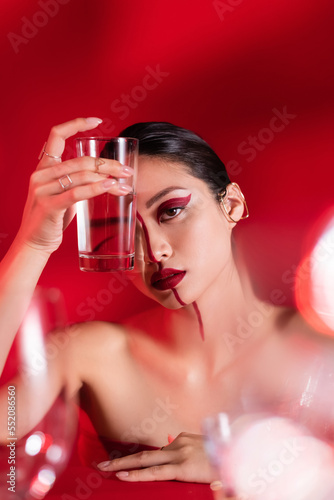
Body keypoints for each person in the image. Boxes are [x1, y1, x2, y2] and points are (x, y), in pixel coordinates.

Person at [0, 117, 332, 487]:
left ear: (233, 205)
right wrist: (33, 244)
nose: (153, 250)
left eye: (171, 211)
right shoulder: (86, 355)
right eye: (125, 232)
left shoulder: (322, 349)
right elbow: (6, 438)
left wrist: (247, 458)